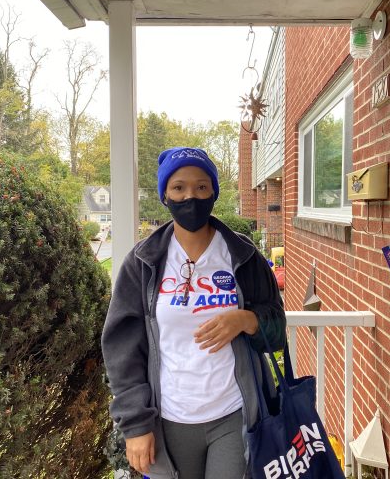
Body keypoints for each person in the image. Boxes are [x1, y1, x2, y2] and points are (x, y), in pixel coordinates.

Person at [101, 147, 286, 479]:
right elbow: (121, 350)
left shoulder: (242, 256)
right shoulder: (143, 263)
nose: (191, 197)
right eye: (179, 188)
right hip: (168, 417)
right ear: (165, 196)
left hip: (233, 413)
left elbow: (277, 328)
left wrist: (247, 320)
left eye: (202, 187)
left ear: (213, 192)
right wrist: (135, 424)